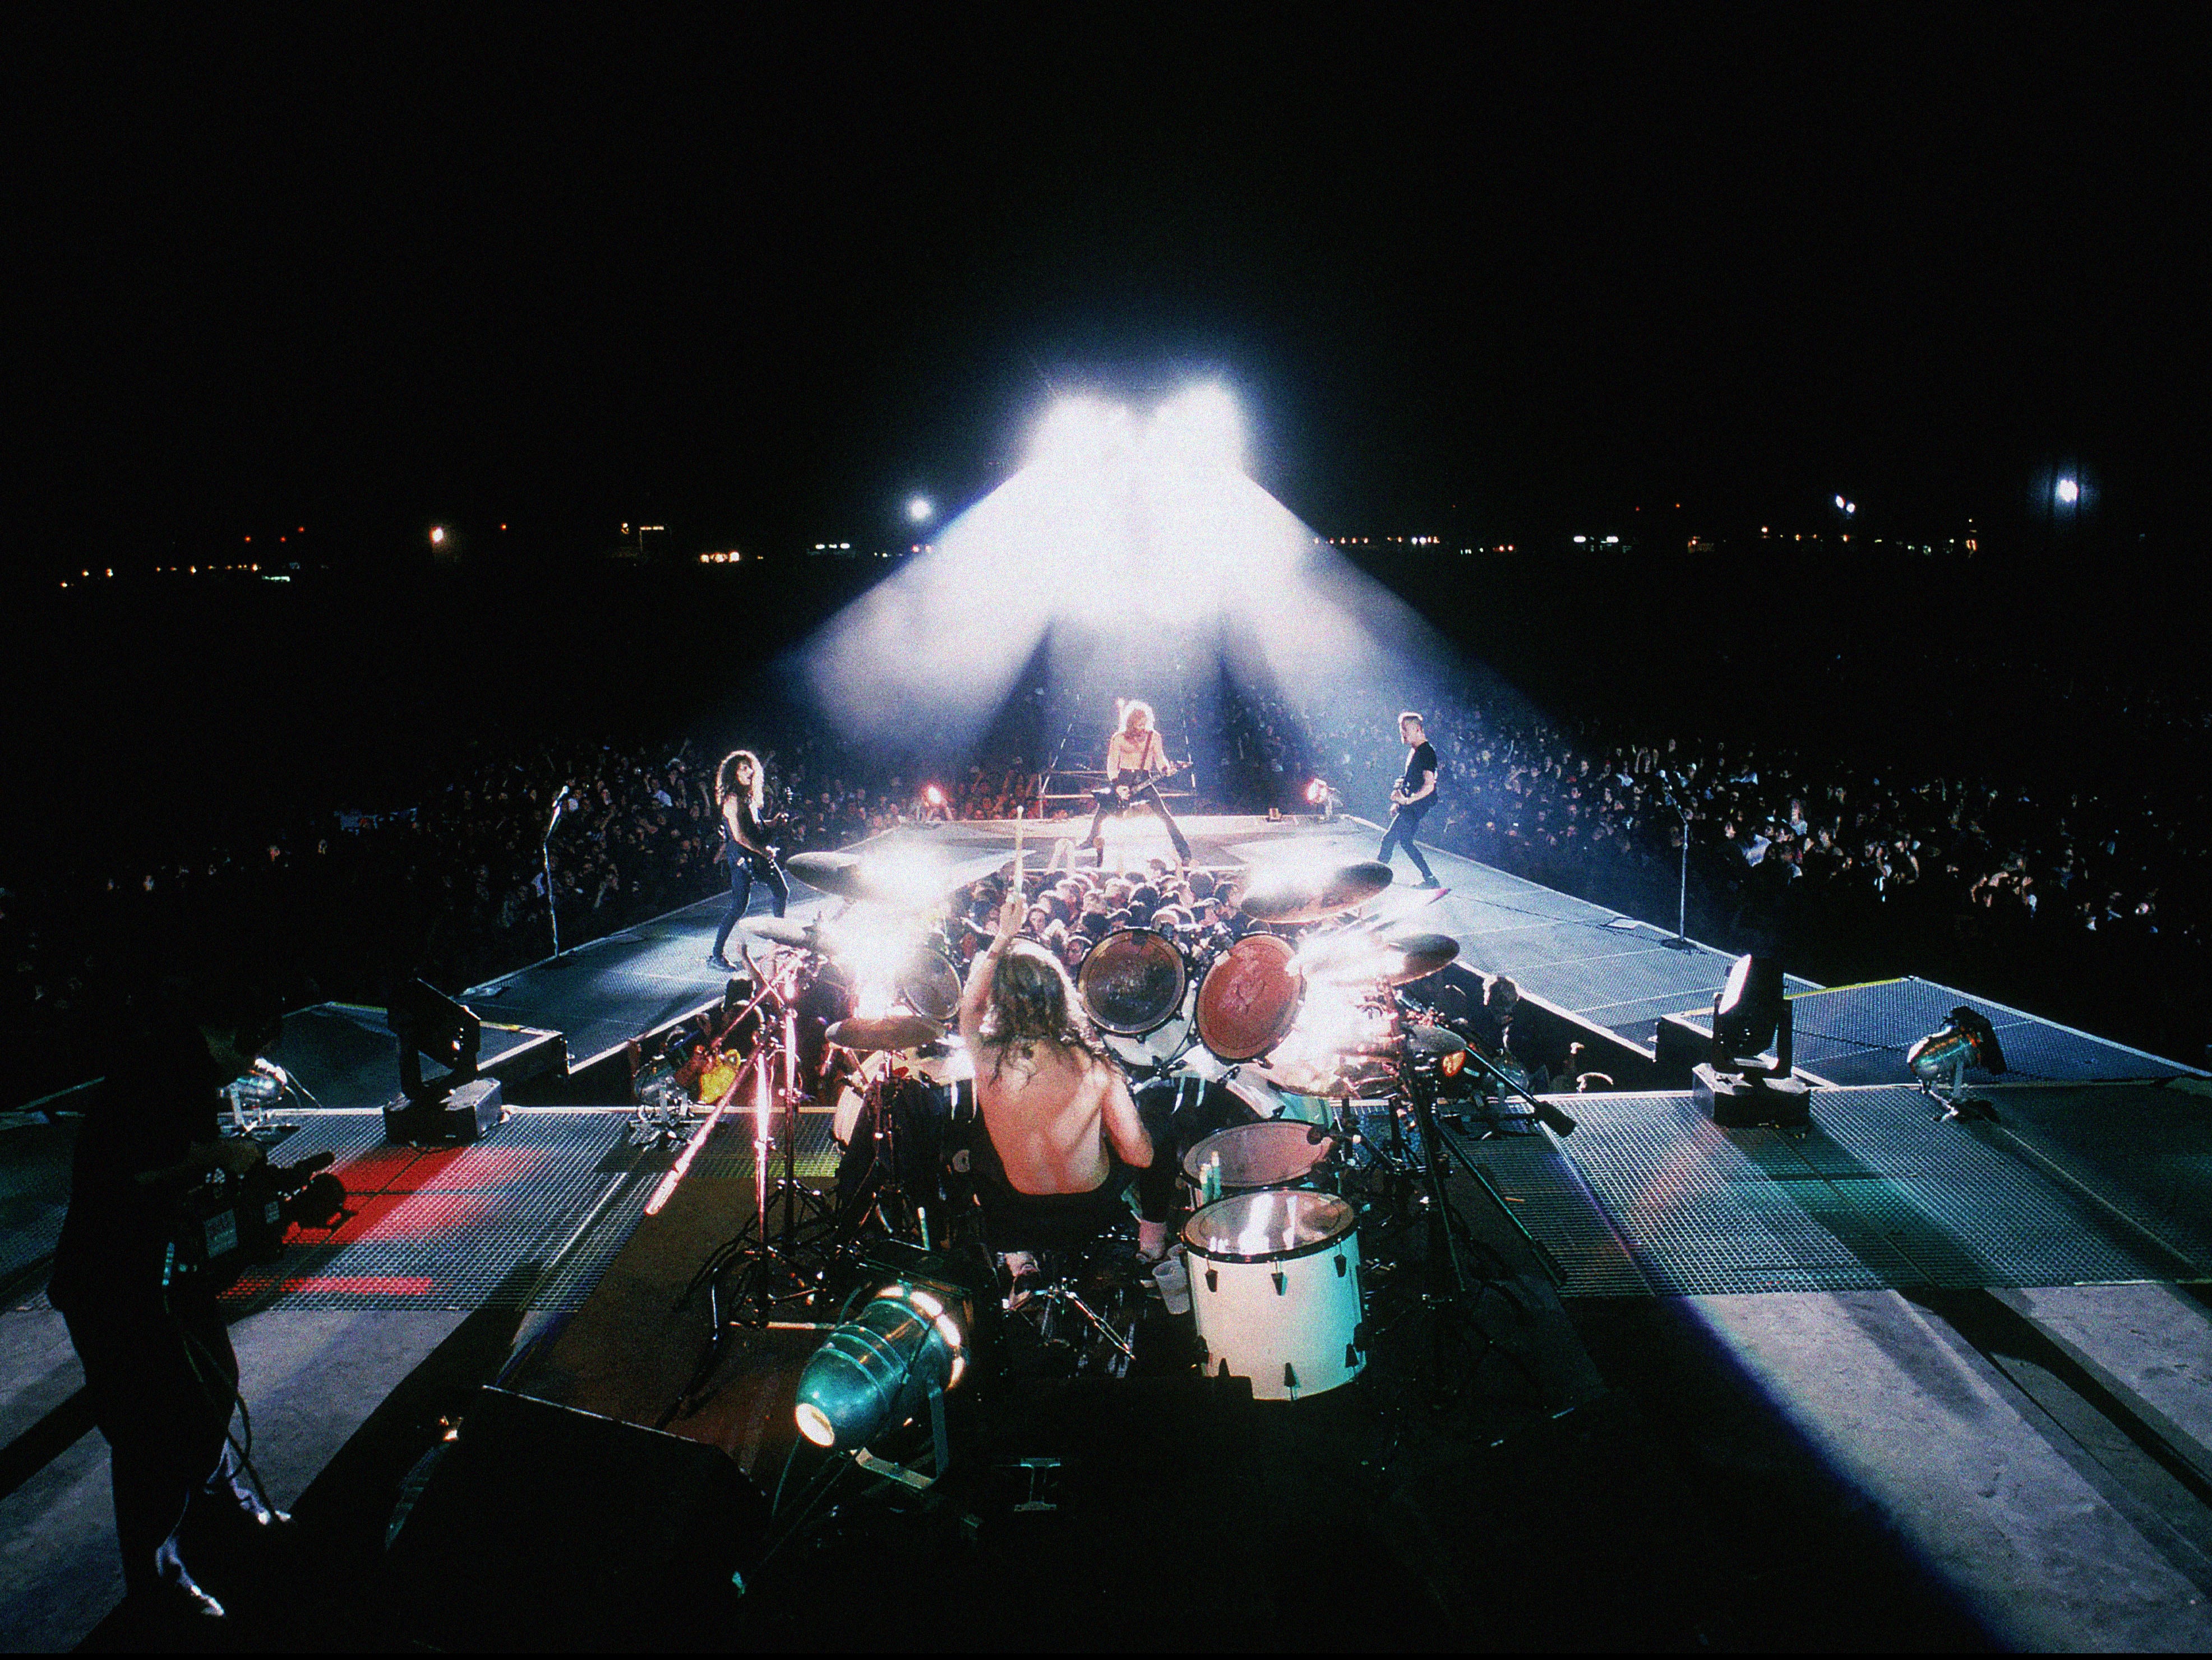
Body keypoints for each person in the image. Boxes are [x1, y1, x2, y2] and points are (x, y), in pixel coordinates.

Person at [47, 978, 292, 1624]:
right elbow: (135, 1172)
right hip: (112, 1283)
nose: (255, 1063)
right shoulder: (156, 1075)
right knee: (149, 1431)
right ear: (229, 1033)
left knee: (214, 1384)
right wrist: (219, 1154)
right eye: (256, 1048)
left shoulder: (190, 1069)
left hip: (165, 1269)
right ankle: (156, 1574)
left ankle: (218, 1501)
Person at [958, 881, 1179, 1263]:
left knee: (975, 1136)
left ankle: (1019, 1262)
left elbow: (970, 1009)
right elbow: (1140, 1157)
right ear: (1062, 993)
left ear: (998, 999)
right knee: (1162, 1128)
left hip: (1018, 1205)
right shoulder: (1095, 1066)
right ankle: (1151, 1245)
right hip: (1090, 1208)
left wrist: (1002, 938)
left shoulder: (986, 1058)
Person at [1084, 700, 1193, 871]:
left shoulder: (1154, 737)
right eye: (1138, 724)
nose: (1142, 727)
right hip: (1124, 778)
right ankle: (1091, 839)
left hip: (1144, 778)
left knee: (1164, 815)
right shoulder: (1118, 738)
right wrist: (1117, 785)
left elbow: (1160, 758)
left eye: (1145, 723)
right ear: (1130, 723)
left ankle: (1185, 852)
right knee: (1104, 810)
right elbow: (1112, 765)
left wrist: (1166, 768)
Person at [708, 749, 788, 972]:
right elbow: (740, 836)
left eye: (750, 767)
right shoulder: (732, 801)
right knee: (739, 906)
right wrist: (764, 852)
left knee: (779, 892)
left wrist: (775, 821)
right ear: (734, 773)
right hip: (743, 857)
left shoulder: (748, 797)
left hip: (754, 854)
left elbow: (758, 825)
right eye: (744, 768)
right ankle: (717, 955)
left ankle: (779, 941)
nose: (750, 771)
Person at [1378, 710, 1442, 887]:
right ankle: (1430, 879)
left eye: (1405, 729)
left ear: (1418, 730)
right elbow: (1409, 779)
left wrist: (1407, 801)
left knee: (1389, 839)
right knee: (1406, 842)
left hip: (1417, 806)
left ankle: (1375, 877)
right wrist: (1398, 801)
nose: (1403, 734)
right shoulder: (1415, 751)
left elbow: (1429, 786)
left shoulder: (1427, 752)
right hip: (1410, 805)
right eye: (1401, 730)